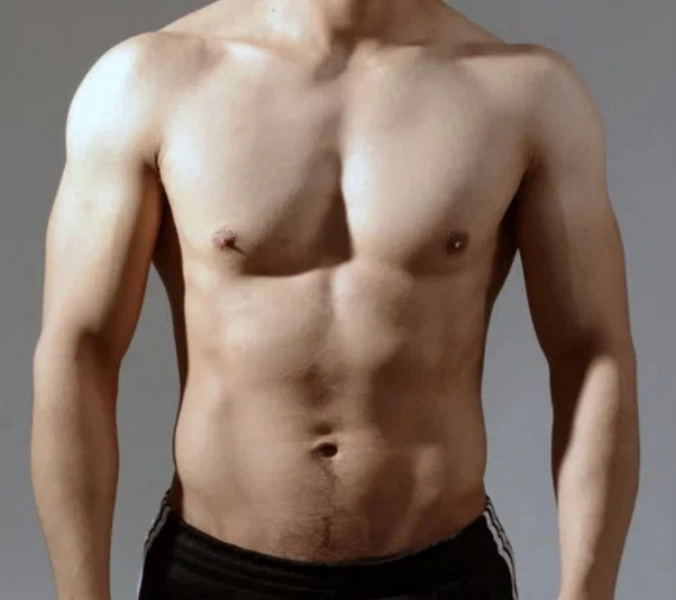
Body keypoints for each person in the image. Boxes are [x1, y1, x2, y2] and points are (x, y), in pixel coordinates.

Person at [31, 0, 640, 599]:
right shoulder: (150, 82)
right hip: (213, 574)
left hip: (440, 575)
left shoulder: (526, 94)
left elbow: (592, 355)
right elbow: (79, 349)